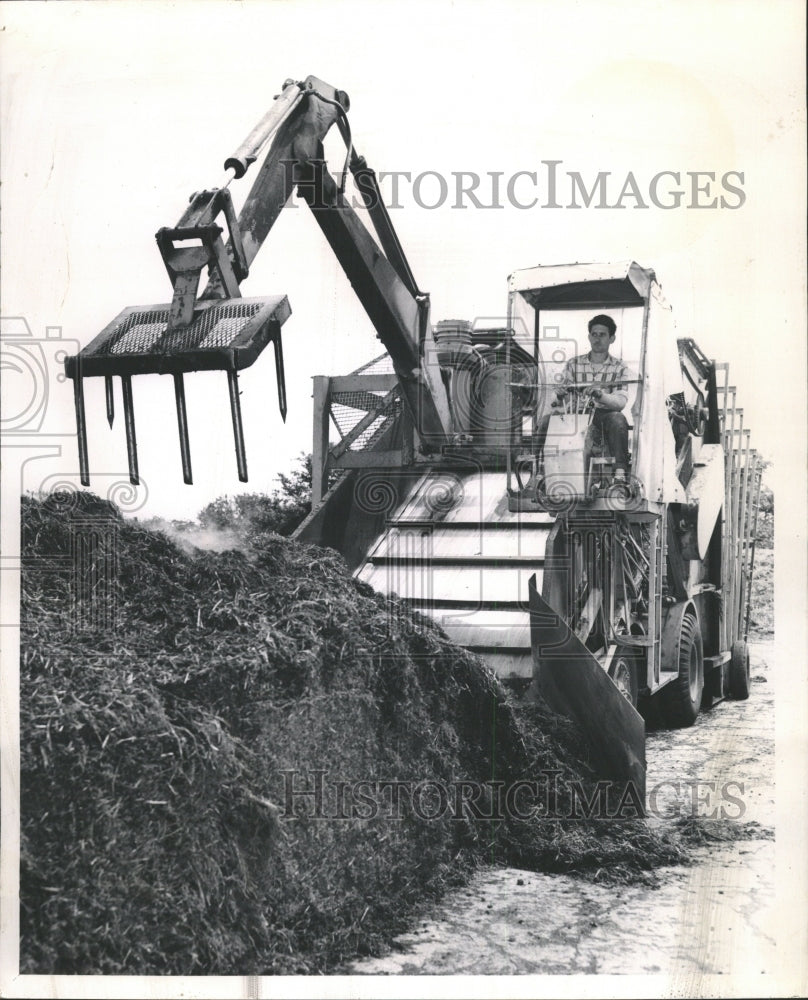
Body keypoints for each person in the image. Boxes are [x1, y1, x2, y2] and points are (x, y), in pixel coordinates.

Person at [537, 314, 633, 484]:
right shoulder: (573, 364)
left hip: (602, 416)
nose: (597, 339)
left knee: (618, 419)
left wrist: (600, 395)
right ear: (589, 337)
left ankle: (620, 472)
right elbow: (555, 401)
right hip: (575, 415)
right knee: (546, 421)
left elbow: (620, 403)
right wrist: (558, 395)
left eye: (602, 335)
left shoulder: (620, 366)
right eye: (594, 334)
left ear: (612, 338)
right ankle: (538, 470)